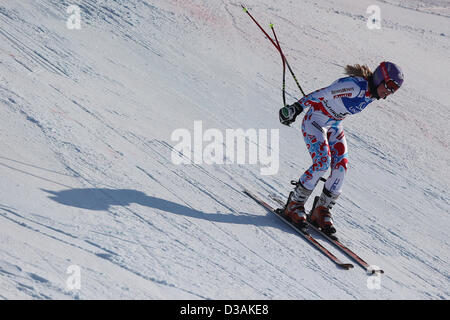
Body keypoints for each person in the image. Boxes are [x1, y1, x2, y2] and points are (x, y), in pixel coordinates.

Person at [278, 61, 404, 235]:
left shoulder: (372, 93)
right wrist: (296, 107)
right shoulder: (354, 87)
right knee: (322, 163)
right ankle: (295, 204)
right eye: (389, 85)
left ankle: (320, 210)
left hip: (334, 125)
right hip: (315, 121)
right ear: (379, 78)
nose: (389, 92)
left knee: (341, 168)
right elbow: (323, 93)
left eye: (395, 89)